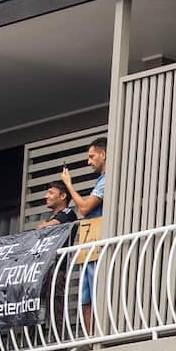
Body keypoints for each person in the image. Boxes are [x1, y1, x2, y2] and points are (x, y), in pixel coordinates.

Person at [60, 138, 107, 331]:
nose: (89, 162)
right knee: (86, 296)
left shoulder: (107, 179)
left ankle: (98, 338)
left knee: (97, 290)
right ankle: (91, 341)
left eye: (91, 156)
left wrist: (69, 185)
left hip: (99, 242)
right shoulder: (100, 180)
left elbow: (86, 208)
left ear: (103, 154)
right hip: (90, 244)